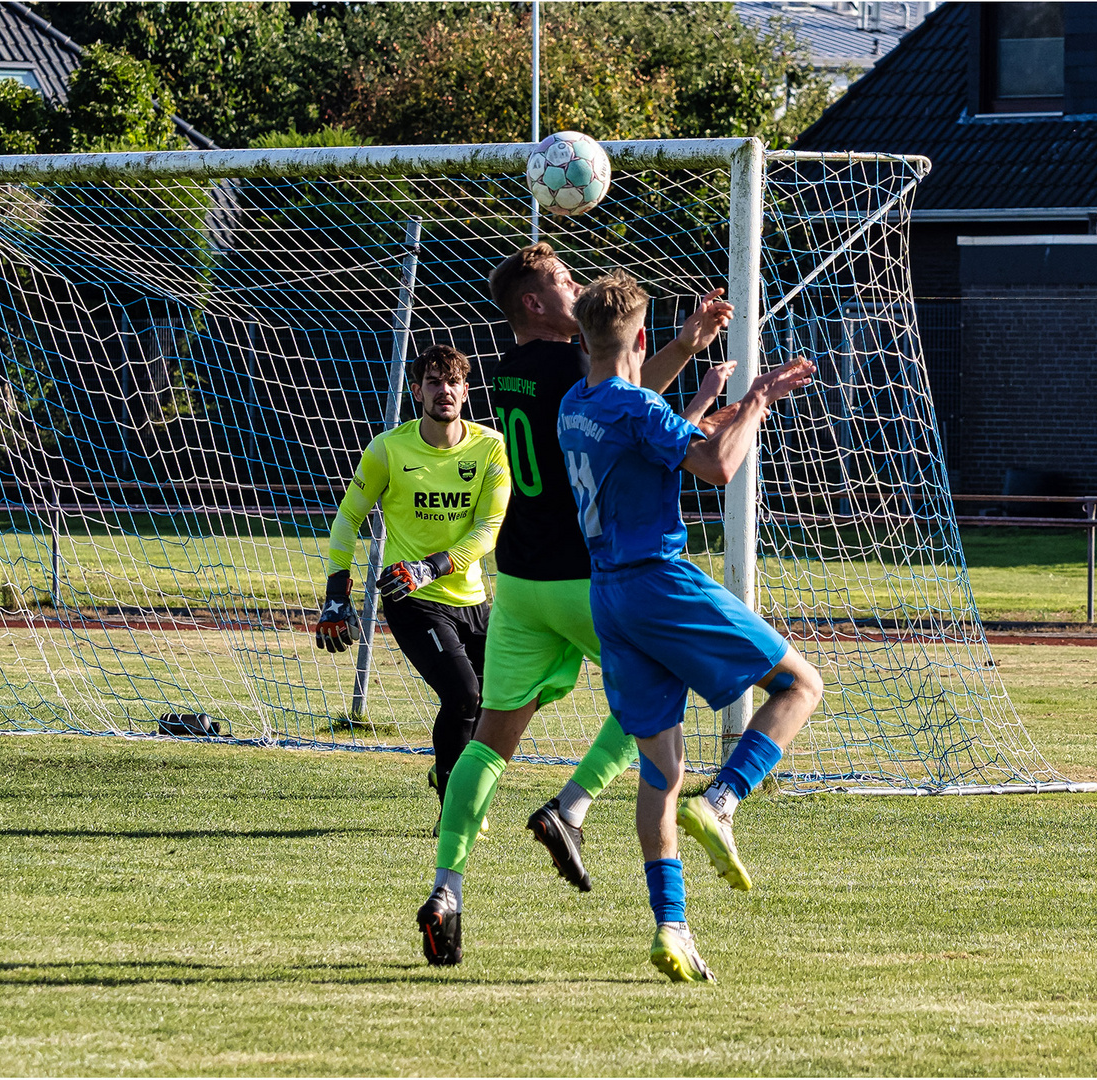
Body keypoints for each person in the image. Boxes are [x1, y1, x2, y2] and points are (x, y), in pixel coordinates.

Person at [415, 242, 734, 967]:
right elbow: (626, 398)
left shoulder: (513, 369)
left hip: (521, 583)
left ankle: (447, 888)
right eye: (563, 279)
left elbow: (620, 392)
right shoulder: (566, 366)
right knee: (653, 698)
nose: (577, 284)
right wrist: (687, 347)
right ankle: (572, 805)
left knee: (490, 740)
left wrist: (682, 348)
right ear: (534, 301)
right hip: (583, 577)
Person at [556, 271, 823, 984]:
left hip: (608, 596)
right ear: (639, 338)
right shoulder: (639, 409)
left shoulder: (574, 405)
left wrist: (695, 372)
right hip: (659, 583)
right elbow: (715, 466)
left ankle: (671, 928)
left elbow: (645, 412)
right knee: (800, 685)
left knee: (660, 771)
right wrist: (759, 401)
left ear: (585, 339)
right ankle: (727, 800)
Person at [315, 344, 509, 832]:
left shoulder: (490, 447)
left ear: (466, 391)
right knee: (463, 695)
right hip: (410, 599)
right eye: (434, 381)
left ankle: (447, 770)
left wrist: (435, 565)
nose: (444, 390)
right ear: (417, 390)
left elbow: (490, 526)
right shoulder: (388, 449)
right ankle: (453, 799)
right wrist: (337, 594)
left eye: (453, 382)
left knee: (493, 704)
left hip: (471, 598)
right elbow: (346, 521)